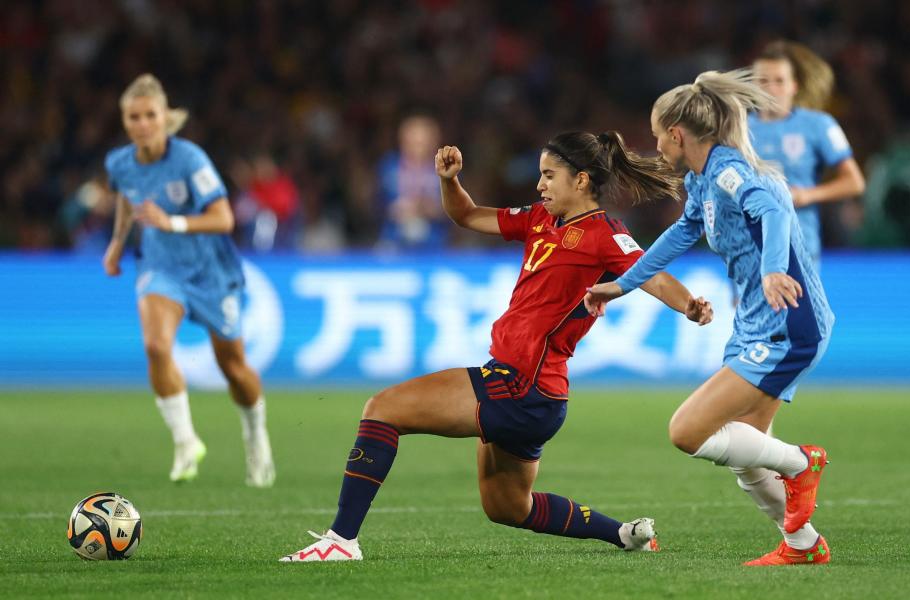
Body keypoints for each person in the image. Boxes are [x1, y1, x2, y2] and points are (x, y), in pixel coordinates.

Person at [280, 131, 714, 562]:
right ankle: (623, 534)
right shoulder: (540, 219)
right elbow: (467, 215)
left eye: (549, 175)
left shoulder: (604, 234)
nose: (540, 185)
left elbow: (652, 275)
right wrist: (450, 181)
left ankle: (340, 540)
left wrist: (689, 306)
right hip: (535, 396)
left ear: (581, 180)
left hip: (521, 385)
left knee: (382, 409)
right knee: (507, 507)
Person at [585, 70, 835, 566]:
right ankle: (803, 545)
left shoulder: (729, 170)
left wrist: (769, 272)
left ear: (676, 133)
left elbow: (775, 214)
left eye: (657, 134)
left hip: (789, 323)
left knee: (687, 431)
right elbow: (681, 234)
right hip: (756, 326)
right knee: (746, 454)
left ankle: (802, 463)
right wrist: (622, 284)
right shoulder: (703, 180)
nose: (656, 144)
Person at [101, 74, 275, 487]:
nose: (142, 124)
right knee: (156, 345)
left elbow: (224, 218)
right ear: (125, 121)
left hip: (210, 271)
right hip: (161, 268)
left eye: (150, 115)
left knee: (232, 367)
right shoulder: (119, 163)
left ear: (165, 118)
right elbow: (127, 200)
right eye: (133, 117)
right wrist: (116, 243)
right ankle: (184, 442)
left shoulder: (190, 160)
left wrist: (170, 221)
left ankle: (255, 434)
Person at [749, 40, 865, 269]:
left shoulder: (818, 125)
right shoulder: (736, 130)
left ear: (795, 85)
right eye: (762, 81)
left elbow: (855, 182)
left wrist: (808, 195)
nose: (771, 88)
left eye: (779, 81)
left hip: (800, 245)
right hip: (750, 249)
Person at [376, 114, 450, 250]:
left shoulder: (447, 169)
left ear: (434, 141)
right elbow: (373, 204)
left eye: (422, 142)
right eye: (412, 142)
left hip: (435, 243)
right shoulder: (389, 166)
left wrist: (434, 209)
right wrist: (393, 209)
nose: (417, 148)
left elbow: (459, 210)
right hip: (393, 241)